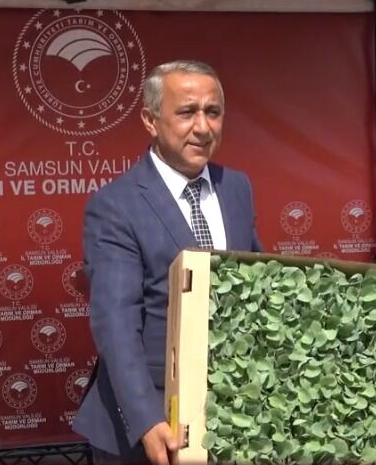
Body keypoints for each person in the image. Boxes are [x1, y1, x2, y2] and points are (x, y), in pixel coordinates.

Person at [74, 60, 262, 465]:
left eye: (213, 112)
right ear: (150, 120)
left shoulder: (237, 188)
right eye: (187, 112)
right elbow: (116, 323)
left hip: (226, 416)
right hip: (147, 426)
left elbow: (257, 285)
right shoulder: (116, 205)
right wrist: (146, 419)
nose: (203, 127)